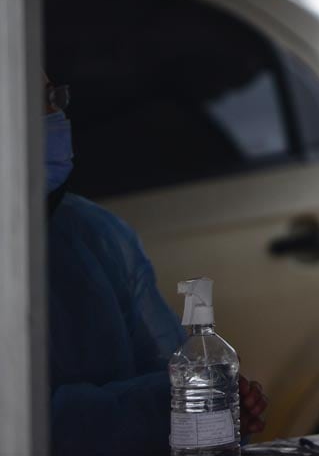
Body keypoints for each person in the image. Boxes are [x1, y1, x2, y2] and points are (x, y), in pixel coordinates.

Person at [44, 77, 268, 456]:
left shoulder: (98, 235)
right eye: (35, 103)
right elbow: (31, 424)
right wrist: (164, 409)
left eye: (54, 98)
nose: (55, 116)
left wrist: (219, 408)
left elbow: (167, 368)